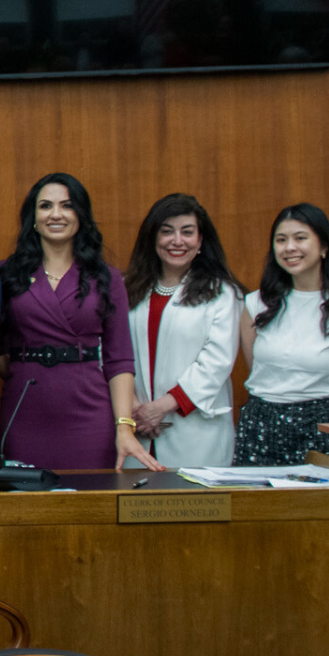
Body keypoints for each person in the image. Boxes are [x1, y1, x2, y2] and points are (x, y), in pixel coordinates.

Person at [0, 173, 162, 471]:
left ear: (80, 215)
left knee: (90, 505)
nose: (55, 214)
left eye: (67, 206)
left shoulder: (106, 277)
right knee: (26, 508)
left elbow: (119, 358)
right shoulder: (7, 273)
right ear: (33, 217)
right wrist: (25, 368)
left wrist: (124, 426)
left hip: (89, 414)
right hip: (26, 410)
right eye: (45, 206)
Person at [236, 204, 329, 465]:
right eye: (281, 240)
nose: (289, 248)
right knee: (255, 506)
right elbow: (258, 370)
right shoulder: (256, 304)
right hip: (259, 425)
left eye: (300, 238)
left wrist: (328, 429)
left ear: (324, 247)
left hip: (322, 428)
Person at [121, 193, 242, 468]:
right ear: (153, 239)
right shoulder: (126, 289)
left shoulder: (222, 293)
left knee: (195, 506)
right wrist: (134, 406)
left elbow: (215, 363)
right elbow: (111, 350)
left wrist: (161, 407)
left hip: (196, 433)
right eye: (167, 232)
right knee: (137, 508)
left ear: (200, 241)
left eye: (187, 232)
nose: (177, 241)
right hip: (135, 429)